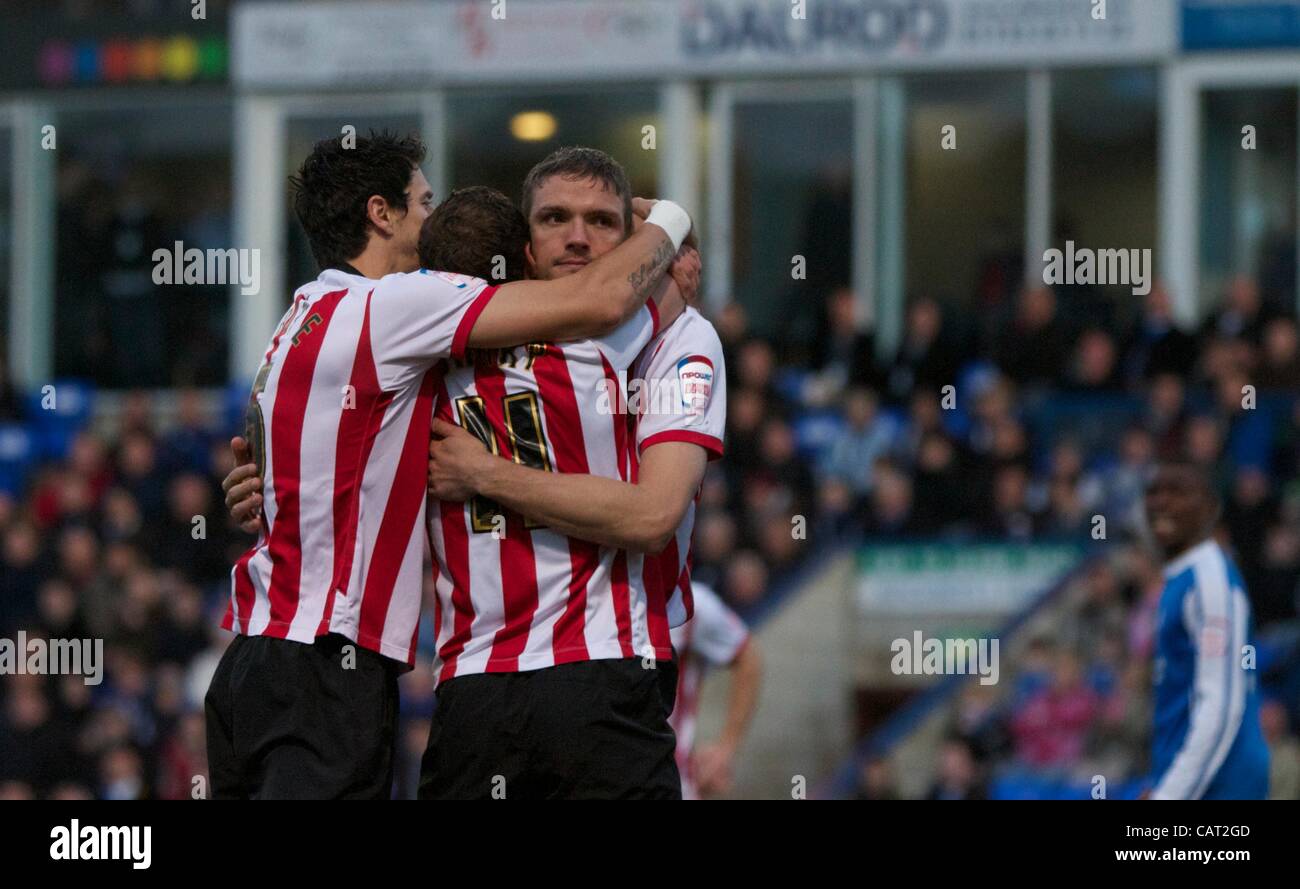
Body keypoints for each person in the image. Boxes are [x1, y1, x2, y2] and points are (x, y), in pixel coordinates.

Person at [206, 133, 692, 800]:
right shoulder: (400, 305)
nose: (432, 222)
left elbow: (281, 463)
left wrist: (253, 489)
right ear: (382, 213)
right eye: (422, 202)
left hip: (252, 662)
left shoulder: (299, 317)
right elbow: (601, 303)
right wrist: (669, 223)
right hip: (327, 662)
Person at [1142, 461, 1269, 799]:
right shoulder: (1180, 580)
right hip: (1191, 781)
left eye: (1178, 492)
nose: (1161, 502)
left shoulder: (1209, 580)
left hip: (1222, 785)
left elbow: (1221, 702)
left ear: (1210, 507)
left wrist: (1169, 796)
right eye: (1154, 492)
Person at [666, 583, 761, 799]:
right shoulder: (598, 597)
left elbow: (748, 657)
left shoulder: (693, 602)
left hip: (671, 782)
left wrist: (726, 747)